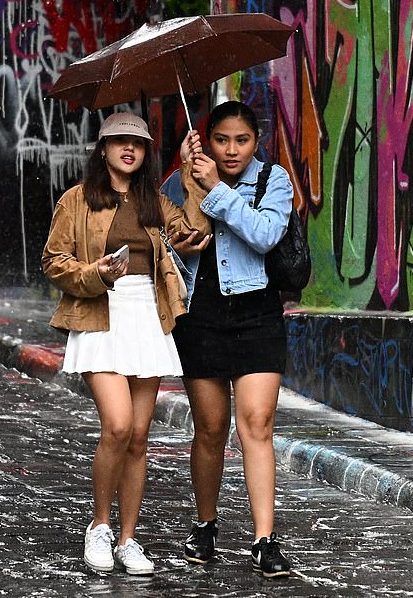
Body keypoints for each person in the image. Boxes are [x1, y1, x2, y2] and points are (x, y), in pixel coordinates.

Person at [42, 112, 210, 576]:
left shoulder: (154, 202)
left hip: (147, 315)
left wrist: (194, 177)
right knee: (117, 425)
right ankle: (98, 526)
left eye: (137, 143)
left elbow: (192, 234)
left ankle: (127, 539)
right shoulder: (77, 200)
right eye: (119, 142)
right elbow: (53, 260)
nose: (129, 149)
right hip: (100, 313)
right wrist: (95, 274)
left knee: (139, 437)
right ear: (103, 149)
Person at [160, 101, 294, 578]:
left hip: (257, 315)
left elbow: (264, 234)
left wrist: (217, 189)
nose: (231, 150)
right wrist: (184, 178)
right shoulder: (183, 179)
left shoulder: (273, 180)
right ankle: (205, 524)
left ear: (255, 142)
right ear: (207, 140)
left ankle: (264, 539)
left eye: (242, 140)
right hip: (201, 316)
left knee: (256, 423)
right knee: (211, 429)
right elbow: (158, 232)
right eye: (222, 140)